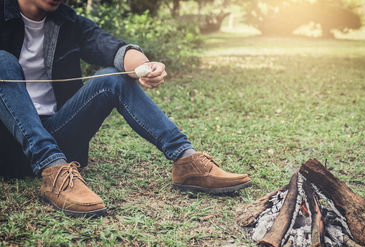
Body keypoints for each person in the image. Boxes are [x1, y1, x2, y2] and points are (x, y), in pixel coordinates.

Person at [0, 0, 252, 217]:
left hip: (62, 143)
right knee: (3, 61)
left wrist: (146, 66)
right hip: (9, 146)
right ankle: (51, 168)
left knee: (113, 76)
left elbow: (110, 47)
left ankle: (186, 161)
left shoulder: (69, 22)